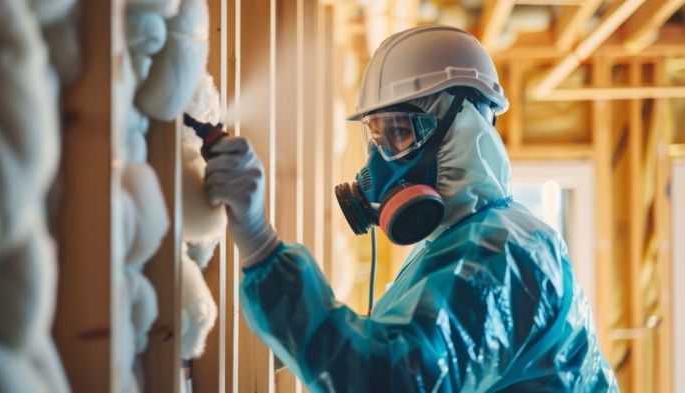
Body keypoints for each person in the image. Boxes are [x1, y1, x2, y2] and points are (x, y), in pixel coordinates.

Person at [204, 25, 617, 392]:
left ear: (467, 126)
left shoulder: (508, 254)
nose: (379, 165)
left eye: (400, 132)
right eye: (377, 136)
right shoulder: (455, 246)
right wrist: (297, 341)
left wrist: (259, 239)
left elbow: (392, 380)